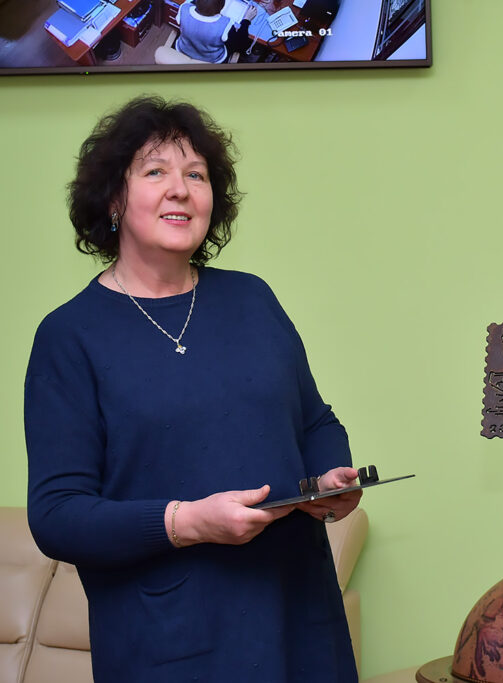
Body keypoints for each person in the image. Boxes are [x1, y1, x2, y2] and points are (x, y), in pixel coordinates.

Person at [25, 96, 361, 683]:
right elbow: (58, 515)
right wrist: (188, 522)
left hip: (298, 620)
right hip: (167, 641)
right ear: (113, 199)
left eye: (197, 175)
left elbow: (315, 423)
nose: (180, 190)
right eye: (155, 171)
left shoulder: (252, 298)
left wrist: (332, 483)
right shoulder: (68, 336)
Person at [175, 0, 257, 63]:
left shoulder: (184, 7)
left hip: (183, 48)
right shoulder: (225, 24)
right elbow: (240, 44)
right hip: (211, 59)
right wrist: (246, 20)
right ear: (222, 8)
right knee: (240, 44)